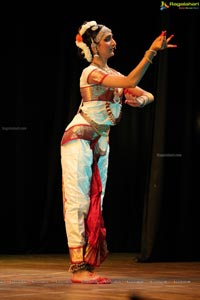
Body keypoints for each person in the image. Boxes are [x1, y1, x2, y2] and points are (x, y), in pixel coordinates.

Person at [60, 20, 177, 284]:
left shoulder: (111, 73)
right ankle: (78, 268)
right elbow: (130, 80)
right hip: (79, 137)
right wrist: (151, 52)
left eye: (113, 38)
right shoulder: (90, 73)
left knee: (96, 203)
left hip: (101, 141)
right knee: (78, 201)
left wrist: (139, 99)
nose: (114, 42)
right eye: (108, 39)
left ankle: (87, 265)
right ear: (94, 46)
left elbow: (146, 94)